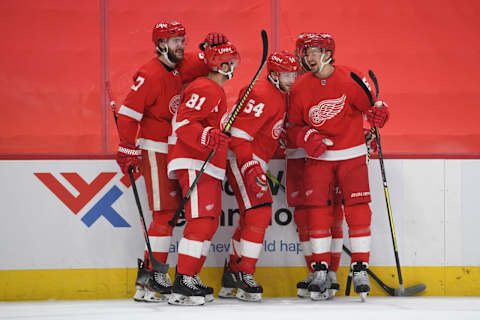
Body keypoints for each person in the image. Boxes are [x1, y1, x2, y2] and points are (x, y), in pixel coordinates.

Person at [115, 20, 227, 302]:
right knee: (164, 213)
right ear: (161, 44)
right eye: (176, 41)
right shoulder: (149, 74)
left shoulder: (186, 63)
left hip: (178, 148)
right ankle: (151, 276)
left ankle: (152, 278)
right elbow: (129, 114)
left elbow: (209, 63)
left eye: (183, 40)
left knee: (177, 214)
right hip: (155, 148)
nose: (182, 45)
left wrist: (211, 47)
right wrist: (128, 147)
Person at [287, 33, 389, 301]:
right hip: (319, 160)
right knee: (318, 212)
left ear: (329, 53)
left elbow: (373, 108)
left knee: (357, 210)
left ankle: (360, 267)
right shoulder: (299, 87)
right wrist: (305, 136)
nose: (309, 57)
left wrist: (381, 112)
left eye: (315, 51)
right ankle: (320, 268)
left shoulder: (351, 78)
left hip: (352, 155)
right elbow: (293, 127)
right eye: (307, 52)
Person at [218, 51, 299, 302]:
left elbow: (267, 131)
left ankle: (233, 273)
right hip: (242, 159)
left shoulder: (278, 95)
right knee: (260, 211)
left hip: (252, 159)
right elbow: (238, 135)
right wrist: (250, 165)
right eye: (286, 75)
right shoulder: (263, 93)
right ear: (274, 75)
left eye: (294, 74)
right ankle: (244, 273)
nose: (292, 79)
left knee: (253, 214)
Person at [166, 42, 239, 306]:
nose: (233, 66)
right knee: (200, 221)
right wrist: (208, 136)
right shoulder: (205, 87)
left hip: (207, 164)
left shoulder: (214, 89)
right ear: (220, 64)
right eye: (229, 61)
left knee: (208, 221)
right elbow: (184, 123)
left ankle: (190, 275)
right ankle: (183, 280)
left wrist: (216, 136)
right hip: (195, 162)